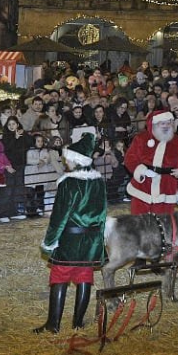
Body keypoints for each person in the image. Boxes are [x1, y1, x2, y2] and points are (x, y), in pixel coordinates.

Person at [35, 132, 107, 334]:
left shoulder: (68, 183)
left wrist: (49, 242)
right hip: (91, 239)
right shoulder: (99, 181)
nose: (65, 162)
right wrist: (99, 240)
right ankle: (77, 323)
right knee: (84, 276)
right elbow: (102, 213)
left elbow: (59, 216)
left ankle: (53, 325)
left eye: (67, 159)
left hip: (70, 238)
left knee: (60, 276)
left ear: (75, 160)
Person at [124, 110, 178, 215]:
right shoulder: (141, 139)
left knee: (163, 223)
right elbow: (129, 158)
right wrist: (141, 170)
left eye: (169, 123)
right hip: (143, 185)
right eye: (162, 123)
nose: (166, 126)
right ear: (154, 124)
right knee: (139, 221)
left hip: (167, 187)